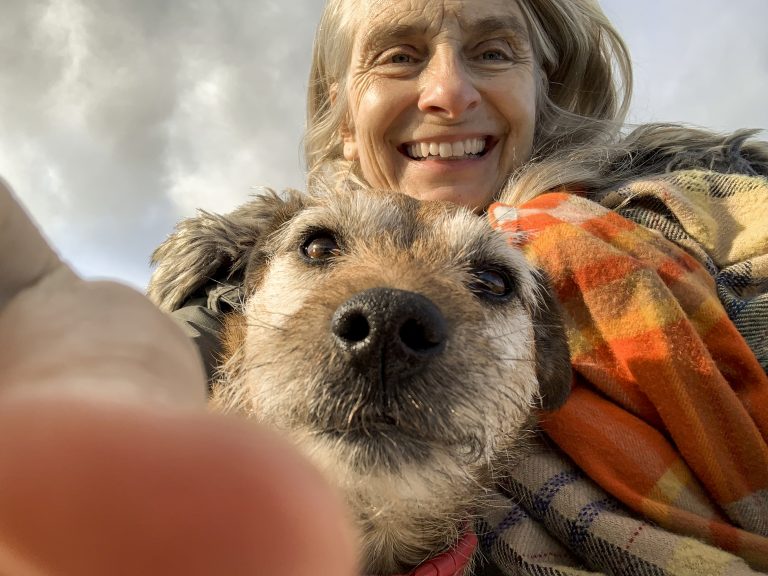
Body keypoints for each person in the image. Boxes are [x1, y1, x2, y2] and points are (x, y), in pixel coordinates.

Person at [3, 0, 766, 574]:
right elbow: (174, 364)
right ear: (342, 111)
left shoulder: (700, 211)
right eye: (398, 56)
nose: (446, 90)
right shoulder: (225, 278)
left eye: (493, 51)